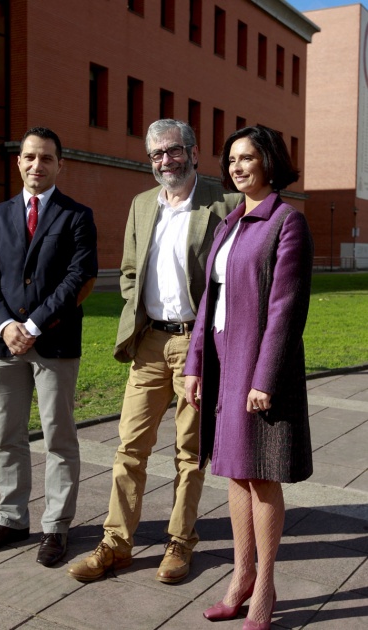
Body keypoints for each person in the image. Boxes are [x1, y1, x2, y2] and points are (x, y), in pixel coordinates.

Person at [67, 118, 242, 584]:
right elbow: (129, 270)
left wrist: (211, 339)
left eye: (173, 151)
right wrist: (135, 307)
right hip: (150, 341)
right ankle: (117, 543)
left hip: (197, 343)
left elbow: (234, 277)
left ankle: (180, 543)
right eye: (157, 155)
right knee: (129, 447)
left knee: (190, 452)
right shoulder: (142, 205)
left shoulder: (224, 203)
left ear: (193, 150)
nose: (166, 161)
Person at [184, 125, 313, 629]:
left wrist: (265, 378)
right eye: (232, 159)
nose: (237, 167)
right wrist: (195, 364)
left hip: (257, 365)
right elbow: (206, 305)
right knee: (233, 470)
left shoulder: (286, 222)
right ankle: (240, 577)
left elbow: (285, 310)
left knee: (261, 475)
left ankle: (264, 588)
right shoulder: (228, 223)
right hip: (221, 358)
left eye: (248, 158)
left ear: (270, 163)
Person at [0, 126, 98, 567]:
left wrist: (34, 324)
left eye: (45, 158)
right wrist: (7, 326)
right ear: (18, 161)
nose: (36, 165)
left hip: (54, 344)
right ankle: (12, 519)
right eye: (29, 157)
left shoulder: (77, 216)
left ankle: (57, 526)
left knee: (58, 438)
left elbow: (78, 278)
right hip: (3, 346)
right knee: (6, 437)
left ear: (60, 164)